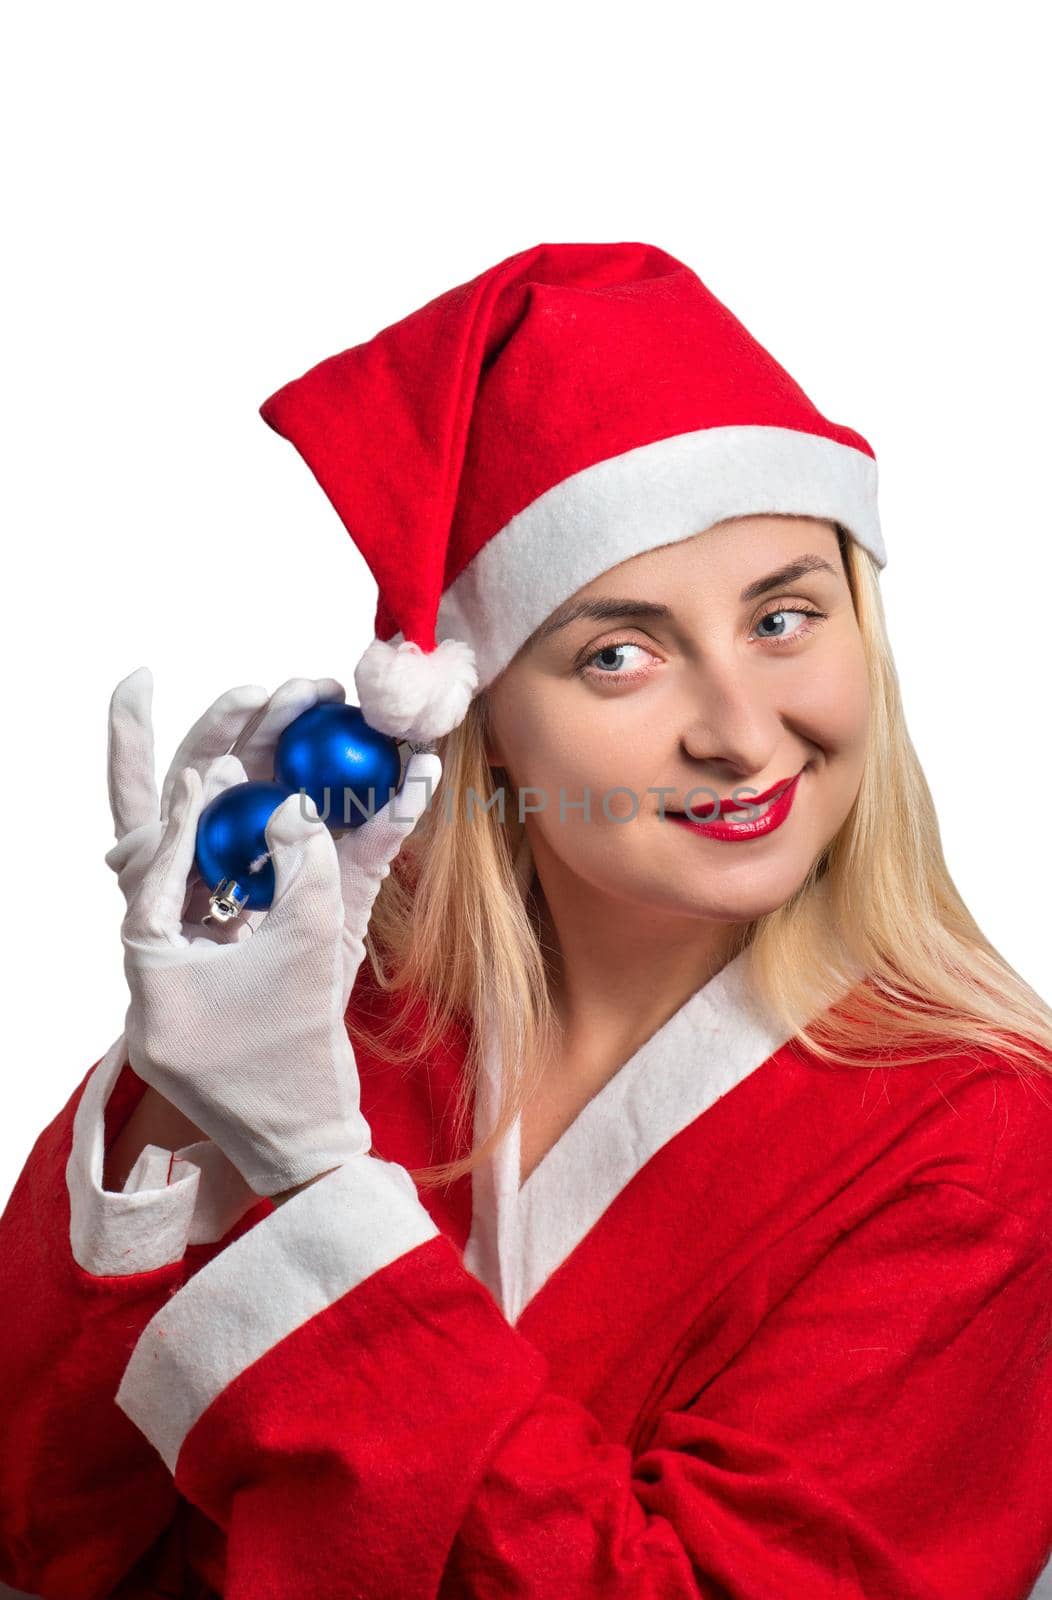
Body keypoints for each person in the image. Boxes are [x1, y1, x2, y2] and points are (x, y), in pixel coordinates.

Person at [2, 241, 1050, 1600]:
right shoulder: (335, 1010)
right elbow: (39, 1526)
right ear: (481, 712)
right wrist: (170, 1086)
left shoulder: (978, 1140)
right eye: (620, 653)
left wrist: (323, 1189)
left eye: (786, 618)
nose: (743, 735)